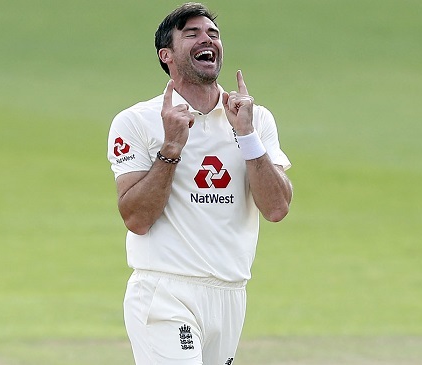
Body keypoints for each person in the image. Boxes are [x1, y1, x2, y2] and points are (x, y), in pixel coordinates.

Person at [107, 3, 293, 364]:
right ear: (167, 56)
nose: (207, 39)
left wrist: (248, 136)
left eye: (213, 34)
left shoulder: (253, 119)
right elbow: (136, 218)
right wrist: (171, 147)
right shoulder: (138, 121)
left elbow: (276, 208)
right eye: (191, 34)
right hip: (165, 290)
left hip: (230, 293)